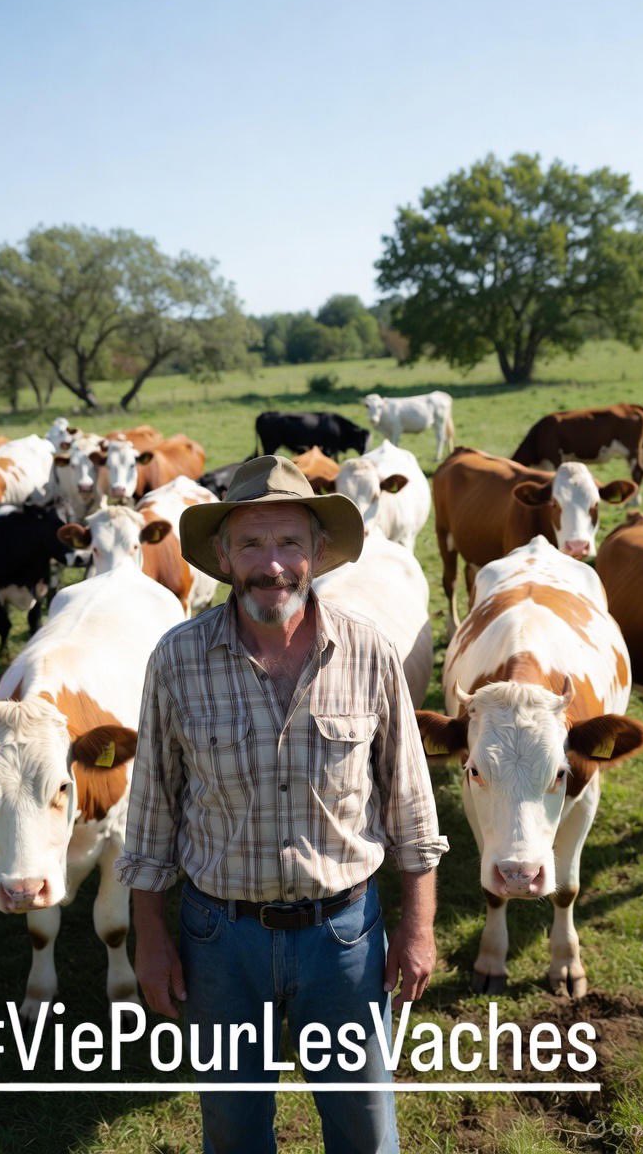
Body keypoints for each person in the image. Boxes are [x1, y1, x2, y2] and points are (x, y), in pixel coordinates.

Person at [116, 454, 448, 1154]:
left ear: (318, 552)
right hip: (220, 940)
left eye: (290, 543)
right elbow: (150, 817)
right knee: (234, 1133)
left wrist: (417, 928)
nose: (273, 566)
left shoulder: (370, 654)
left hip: (346, 939)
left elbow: (412, 808)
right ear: (225, 557)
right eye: (252, 545)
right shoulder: (176, 660)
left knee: (363, 1131)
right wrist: (149, 939)